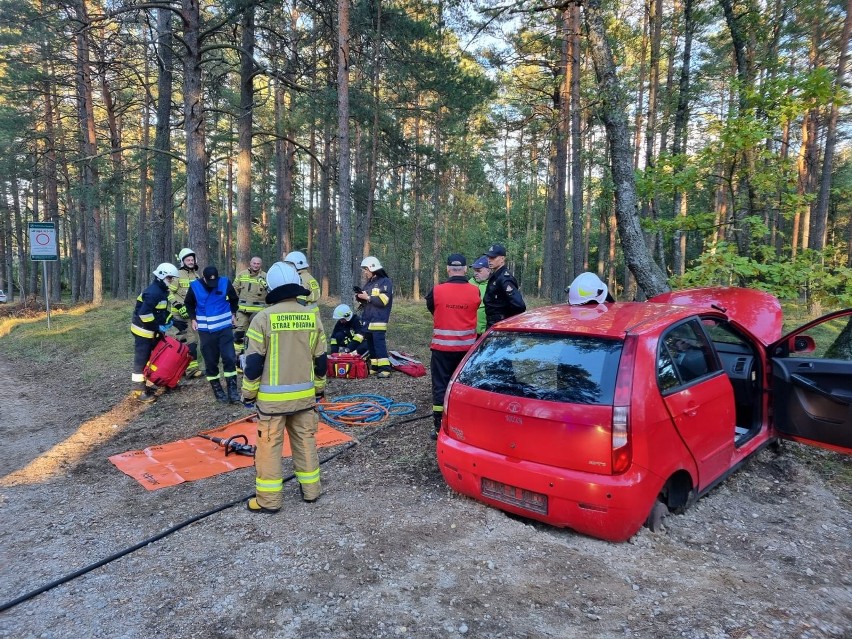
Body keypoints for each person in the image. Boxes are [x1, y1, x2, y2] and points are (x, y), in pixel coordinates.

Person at [241, 261, 328, 512]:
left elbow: (254, 363)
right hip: (304, 398)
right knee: (305, 441)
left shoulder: (262, 319)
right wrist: (319, 389)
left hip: (272, 402)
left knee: (268, 447)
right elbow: (321, 360)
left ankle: (268, 501)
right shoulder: (312, 318)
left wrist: (248, 393)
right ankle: (311, 491)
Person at [426, 254, 481, 439]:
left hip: (441, 350)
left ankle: (439, 427)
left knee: (440, 387)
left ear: (448, 269)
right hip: (466, 351)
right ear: (465, 269)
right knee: (464, 387)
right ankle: (464, 424)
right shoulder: (475, 291)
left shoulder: (436, 290)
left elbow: (432, 307)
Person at [185, 266, 241, 403]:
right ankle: (217, 389)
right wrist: (193, 318)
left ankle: (232, 390)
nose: (213, 285)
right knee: (210, 361)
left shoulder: (224, 282)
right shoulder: (194, 286)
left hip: (224, 326)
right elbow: (188, 303)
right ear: (203, 278)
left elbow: (234, 299)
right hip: (206, 330)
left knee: (229, 357)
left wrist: (233, 313)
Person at [131, 263, 179, 402]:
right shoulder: (153, 292)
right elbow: (144, 314)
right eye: (169, 278)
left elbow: (161, 312)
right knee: (142, 359)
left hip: (151, 330)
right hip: (143, 331)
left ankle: (152, 381)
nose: (171, 281)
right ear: (162, 276)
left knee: (155, 357)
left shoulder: (162, 291)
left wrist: (174, 322)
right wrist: (156, 328)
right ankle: (139, 390)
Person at [356, 256, 394, 378]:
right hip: (368, 320)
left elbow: (384, 300)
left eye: (366, 270)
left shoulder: (385, 282)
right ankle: (375, 367)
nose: (365, 273)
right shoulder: (369, 283)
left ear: (373, 268)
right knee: (371, 345)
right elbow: (367, 300)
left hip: (378, 320)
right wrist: (360, 297)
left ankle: (385, 369)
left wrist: (367, 297)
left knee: (379, 345)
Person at [171, 248, 203, 378]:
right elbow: (168, 292)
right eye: (188, 260)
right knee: (184, 340)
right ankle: (185, 369)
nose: (190, 262)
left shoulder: (196, 276)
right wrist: (178, 305)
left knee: (193, 340)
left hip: (192, 313)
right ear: (183, 261)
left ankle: (191, 369)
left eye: (192, 259)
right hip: (179, 314)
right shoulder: (177, 275)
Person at [483, 243, 526, 329]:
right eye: (488, 257)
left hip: (501, 325)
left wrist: (507, 321)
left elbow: (519, 305)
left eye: (493, 257)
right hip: (493, 324)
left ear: (502, 259)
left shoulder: (504, 278)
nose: (489, 260)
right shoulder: (495, 276)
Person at [233, 256, 268, 353]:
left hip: (258, 312)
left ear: (261, 265)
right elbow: (234, 289)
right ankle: (238, 357)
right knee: (239, 333)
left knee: (256, 334)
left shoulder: (266, 276)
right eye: (254, 263)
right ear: (250, 263)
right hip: (242, 311)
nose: (256, 265)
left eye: (258, 264)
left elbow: (270, 292)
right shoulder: (242, 275)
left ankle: (253, 354)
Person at [468, 255, 490, 337]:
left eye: (478, 271)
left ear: (488, 270)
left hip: (487, 332)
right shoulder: (469, 284)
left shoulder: (494, 285)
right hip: (469, 332)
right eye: (474, 270)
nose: (475, 273)